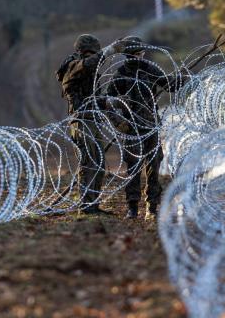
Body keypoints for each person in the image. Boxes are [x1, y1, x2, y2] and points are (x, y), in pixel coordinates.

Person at [106, 36, 181, 220]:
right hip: (132, 127)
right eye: (137, 53)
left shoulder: (149, 68)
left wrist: (183, 78)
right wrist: (118, 122)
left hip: (151, 125)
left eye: (141, 53)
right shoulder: (122, 73)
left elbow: (169, 85)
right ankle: (132, 207)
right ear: (129, 55)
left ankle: (152, 207)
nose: (141, 56)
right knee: (133, 167)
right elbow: (107, 101)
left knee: (153, 166)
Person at [56, 34, 128, 214]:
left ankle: (93, 205)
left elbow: (95, 99)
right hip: (81, 120)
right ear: (83, 52)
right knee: (88, 164)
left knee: (99, 164)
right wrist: (109, 50)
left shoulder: (89, 73)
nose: (93, 59)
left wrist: (113, 104)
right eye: (91, 54)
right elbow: (88, 65)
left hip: (92, 120)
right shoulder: (73, 66)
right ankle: (87, 207)